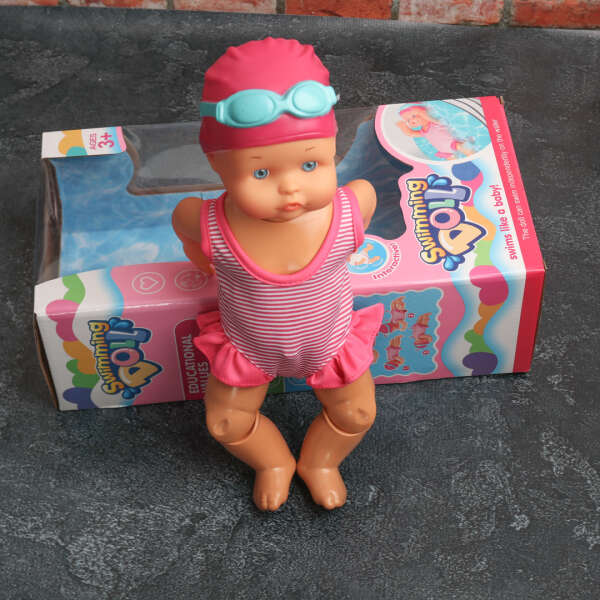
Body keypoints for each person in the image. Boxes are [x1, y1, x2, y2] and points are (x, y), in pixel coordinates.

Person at [172, 38, 383, 511]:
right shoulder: (206, 223)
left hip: (331, 343)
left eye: (311, 164)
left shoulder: (353, 206)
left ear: (333, 149)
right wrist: (202, 258)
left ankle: (320, 462)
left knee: (356, 413)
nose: (291, 188)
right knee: (225, 422)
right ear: (218, 165)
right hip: (248, 349)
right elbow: (187, 235)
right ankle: (273, 462)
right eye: (262, 173)